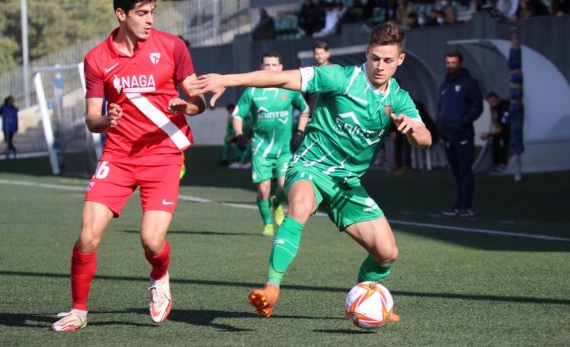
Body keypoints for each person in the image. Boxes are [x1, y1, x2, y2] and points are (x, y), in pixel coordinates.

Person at [187, 22, 432, 320]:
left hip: (347, 183)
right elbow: (280, 78)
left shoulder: (398, 98)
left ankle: (366, 298)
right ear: (366, 53)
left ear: (400, 60)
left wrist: (412, 129)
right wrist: (228, 79)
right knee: (299, 207)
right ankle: (271, 289)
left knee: (387, 253)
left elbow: (425, 139)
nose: (380, 66)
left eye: (388, 60)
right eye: (375, 58)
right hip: (311, 167)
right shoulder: (339, 77)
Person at [51, 0, 206, 332]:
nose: (150, 19)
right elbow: (92, 119)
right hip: (118, 156)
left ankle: (160, 276)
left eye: (152, 12)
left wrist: (188, 105)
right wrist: (107, 119)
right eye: (141, 13)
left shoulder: (173, 46)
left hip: (164, 155)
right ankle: (78, 310)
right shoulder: (96, 59)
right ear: (121, 14)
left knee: (152, 241)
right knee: (88, 235)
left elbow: (197, 100)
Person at [232, 52, 310, 236]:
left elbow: (306, 109)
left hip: (284, 150)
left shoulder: (290, 89)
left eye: (274, 65)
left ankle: (276, 203)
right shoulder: (252, 90)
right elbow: (237, 114)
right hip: (261, 149)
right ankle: (267, 223)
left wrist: (300, 131)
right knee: (263, 189)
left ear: (281, 68)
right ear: (261, 67)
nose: (270, 68)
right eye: (266, 65)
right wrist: (239, 135)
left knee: (284, 186)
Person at [436, 50, 483, 218]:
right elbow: (441, 108)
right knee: (456, 172)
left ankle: (466, 205)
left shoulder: (470, 83)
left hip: (463, 136)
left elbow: (477, 106)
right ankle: (458, 204)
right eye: (448, 63)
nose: (450, 66)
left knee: (465, 171)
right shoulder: (445, 85)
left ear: (460, 63)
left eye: (453, 63)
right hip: (447, 136)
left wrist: (462, 121)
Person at [480, 91, 510, 173]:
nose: (491, 104)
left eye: (492, 102)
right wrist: (492, 113)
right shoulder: (494, 108)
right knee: (495, 138)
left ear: (497, 99)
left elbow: (503, 128)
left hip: (510, 130)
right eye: (489, 103)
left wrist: (488, 134)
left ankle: (503, 164)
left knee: (502, 138)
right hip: (503, 129)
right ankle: (496, 163)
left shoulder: (506, 106)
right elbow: (497, 126)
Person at [0, 95, 18, 159]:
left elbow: (16, 118)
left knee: (9, 140)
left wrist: (16, 126)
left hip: (12, 127)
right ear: (8, 100)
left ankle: (11, 151)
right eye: (11, 99)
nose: (13, 101)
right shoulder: (3, 107)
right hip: (5, 126)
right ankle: (12, 150)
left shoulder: (14, 108)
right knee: (6, 140)